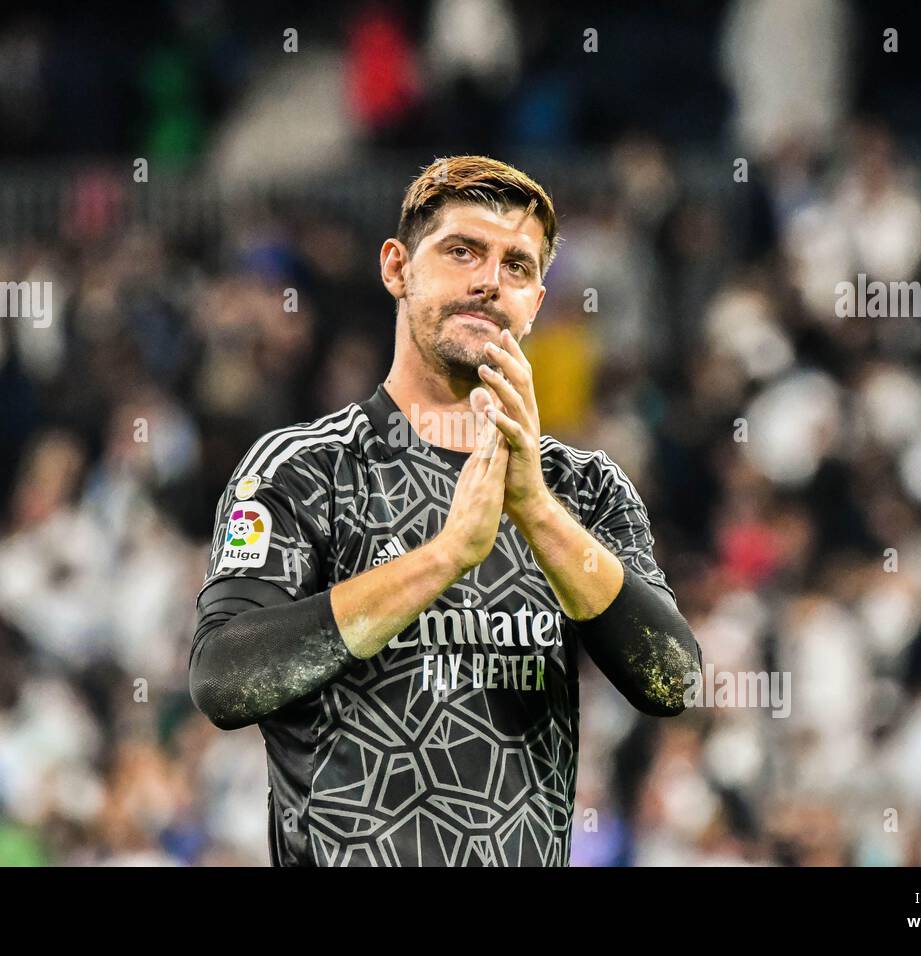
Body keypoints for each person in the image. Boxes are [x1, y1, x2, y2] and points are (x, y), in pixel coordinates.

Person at [189, 155, 702, 866]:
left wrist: (535, 510)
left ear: (536, 303)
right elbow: (224, 679)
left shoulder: (586, 489)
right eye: (462, 251)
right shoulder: (305, 470)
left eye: (518, 266)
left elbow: (671, 679)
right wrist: (443, 557)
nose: (490, 280)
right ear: (397, 268)